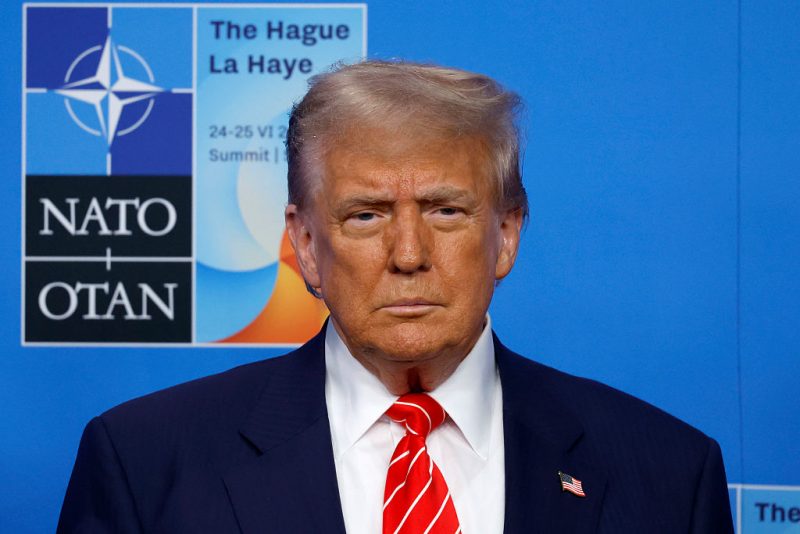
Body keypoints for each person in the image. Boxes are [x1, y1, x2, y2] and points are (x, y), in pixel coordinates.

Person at [58, 60, 734, 533]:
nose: (408, 256)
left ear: (504, 235)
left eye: (445, 211)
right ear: (306, 245)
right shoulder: (145, 463)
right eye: (366, 215)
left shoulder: (668, 475)